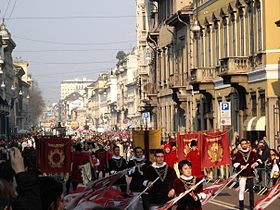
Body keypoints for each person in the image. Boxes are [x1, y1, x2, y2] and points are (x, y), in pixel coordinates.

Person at [233, 139, 262, 210]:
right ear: (241, 145)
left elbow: (259, 160)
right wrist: (240, 166)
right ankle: (241, 206)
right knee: (242, 190)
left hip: (250, 173)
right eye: (242, 144)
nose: (244, 145)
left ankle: (252, 206)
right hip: (242, 174)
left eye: (245, 143)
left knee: (251, 190)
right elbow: (234, 163)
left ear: (247, 144)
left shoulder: (253, 153)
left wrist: (256, 163)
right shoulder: (238, 154)